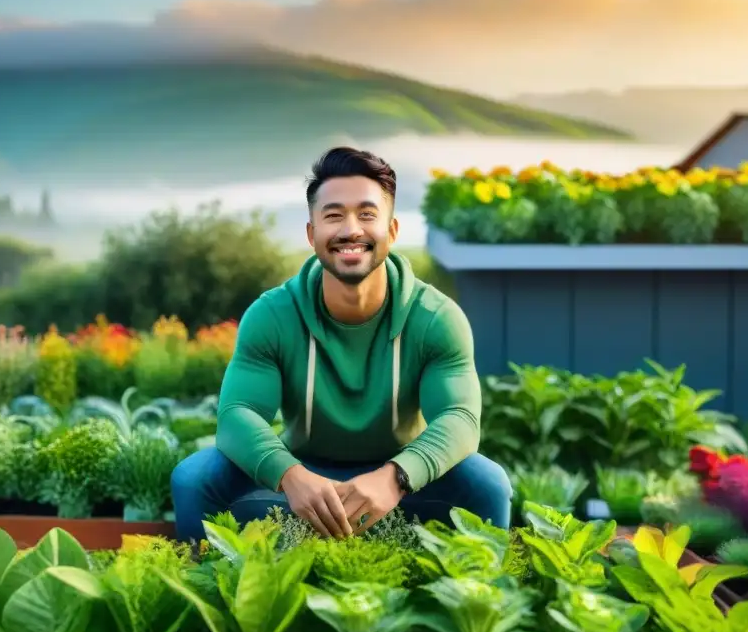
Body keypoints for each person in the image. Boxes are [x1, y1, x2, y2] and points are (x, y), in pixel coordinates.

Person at [171, 146, 512, 541]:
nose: (351, 229)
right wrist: (290, 476)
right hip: (303, 472)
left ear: (393, 231)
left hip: (404, 479)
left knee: (487, 483)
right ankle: (204, 594)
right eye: (334, 215)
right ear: (312, 233)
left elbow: (460, 419)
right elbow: (236, 414)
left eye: (368, 215)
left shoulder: (436, 318)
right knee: (193, 477)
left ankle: (481, 597)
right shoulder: (272, 315)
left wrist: (397, 476)